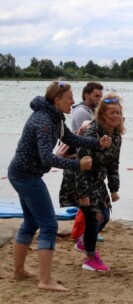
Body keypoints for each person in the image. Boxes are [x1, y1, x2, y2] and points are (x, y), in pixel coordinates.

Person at [7, 81, 112, 291]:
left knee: (30, 223)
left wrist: (96, 143)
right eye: (69, 98)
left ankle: (18, 271)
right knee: (49, 225)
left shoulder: (54, 117)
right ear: (57, 100)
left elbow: (70, 138)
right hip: (27, 176)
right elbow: (47, 158)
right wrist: (78, 165)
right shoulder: (44, 121)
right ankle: (45, 280)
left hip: (22, 174)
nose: (73, 102)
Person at [60, 93, 125, 272]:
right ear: (102, 114)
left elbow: (113, 163)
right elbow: (81, 164)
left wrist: (114, 189)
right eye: (112, 112)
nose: (116, 116)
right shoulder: (92, 132)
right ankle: (90, 258)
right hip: (79, 179)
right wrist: (83, 195)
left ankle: (84, 242)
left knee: (105, 216)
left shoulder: (116, 135)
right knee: (94, 217)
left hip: (97, 180)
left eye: (118, 113)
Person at [61, 82, 102, 242]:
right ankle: (80, 234)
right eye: (96, 96)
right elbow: (84, 138)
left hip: (87, 160)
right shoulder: (81, 112)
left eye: (100, 96)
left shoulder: (91, 111)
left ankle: (85, 233)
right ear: (86, 95)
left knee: (88, 201)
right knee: (85, 200)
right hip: (80, 160)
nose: (99, 99)